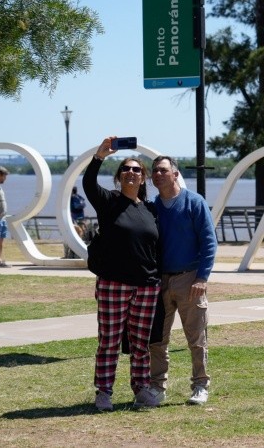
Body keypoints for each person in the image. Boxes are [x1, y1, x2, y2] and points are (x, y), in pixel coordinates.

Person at [84, 137, 162, 411]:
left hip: (147, 286)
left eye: (137, 170)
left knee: (141, 344)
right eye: (126, 169)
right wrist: (99, 157)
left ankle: (141, 389)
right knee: (109, 341)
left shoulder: (150, 210)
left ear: (144, 178)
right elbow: (88, 185)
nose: (132, 172)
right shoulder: (109, 202)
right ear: (119, 177)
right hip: (113, 283)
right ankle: (104, 392)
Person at [148, 155, 218, 406]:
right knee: (156, 339)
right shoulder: (152, 207)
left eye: (163, 170)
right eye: (154, 171)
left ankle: (200, 385)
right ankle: (157, 387)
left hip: (190, 280)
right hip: (160, 283)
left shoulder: (194, 202)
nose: (157, 174)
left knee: (196, 338)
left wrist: (202, 277)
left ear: (175, 174)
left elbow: (209, 242)